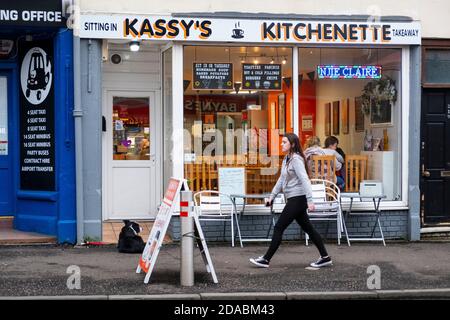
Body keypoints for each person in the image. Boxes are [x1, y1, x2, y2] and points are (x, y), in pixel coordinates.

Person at [249, 133, 332, 269]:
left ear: (292, 144)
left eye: (284, 142)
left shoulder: (296, 160)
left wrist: (310, 201)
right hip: (294, 199)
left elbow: (305, 179)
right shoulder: (287, 159)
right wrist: (272, 196)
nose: (281, 144)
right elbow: (281, 179)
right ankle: (325, 257)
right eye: (281, 142)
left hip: (298, 199)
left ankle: (266, 259)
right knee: (309, 229)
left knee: (279, 227)